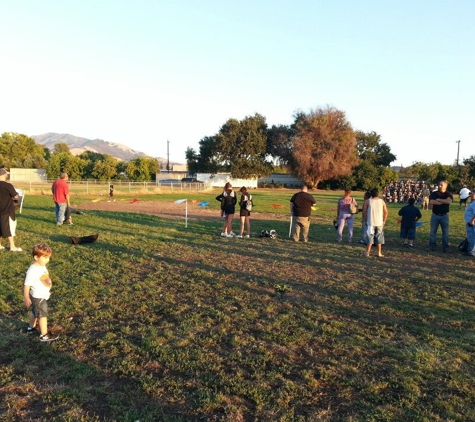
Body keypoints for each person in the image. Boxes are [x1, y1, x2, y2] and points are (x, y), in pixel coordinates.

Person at [23, 243, 58, 342]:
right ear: (36, 257)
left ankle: (31, 328)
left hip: (41, 295)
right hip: (38, 296)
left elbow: (44, 277)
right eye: (45, 257)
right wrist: (26, 297)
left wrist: (48, 282)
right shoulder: (32, 270)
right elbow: (27, 284)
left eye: (48, 257)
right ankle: (44, 335)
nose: (47, 260)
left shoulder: (42, 266)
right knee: (42, 315)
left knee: (35, 312)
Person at [0, 168, 22, 251]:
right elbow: (16, 196)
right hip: (7, 211)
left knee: (0, 227)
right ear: (4, 175)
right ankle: (12, 246)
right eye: (6, 174)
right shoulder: (8, 185)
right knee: (10, 228)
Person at [362, 188, 388, 257]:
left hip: (370, 223)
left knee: (370, 238)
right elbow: (386, 212)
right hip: (379, 222)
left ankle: (367, 252)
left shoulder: (368, 201)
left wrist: (365, 220)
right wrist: (384, 220)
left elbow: (364, 212)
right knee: (379, 238)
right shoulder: (382, 201)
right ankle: (379, 252)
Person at [429, 180, 453, 252]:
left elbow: (448, 201)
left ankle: (445, 247)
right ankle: (432, 246)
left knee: (445, 233)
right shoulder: (434, 193)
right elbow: (431, 202)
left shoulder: (449, 194)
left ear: (445, 186)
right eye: (439, 184)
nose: (439, 186)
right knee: (433, 232)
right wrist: (444, 202)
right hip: (435, 215)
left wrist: (439, 200)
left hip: (444, 216)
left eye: (441, 185)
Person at [464, 190, 475, 257]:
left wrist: (471, 221)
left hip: (472, 223)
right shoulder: (472, 202)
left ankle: (471, 251)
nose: (471, 195)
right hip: (470, 222)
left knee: (472, 237)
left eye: (473, 194)